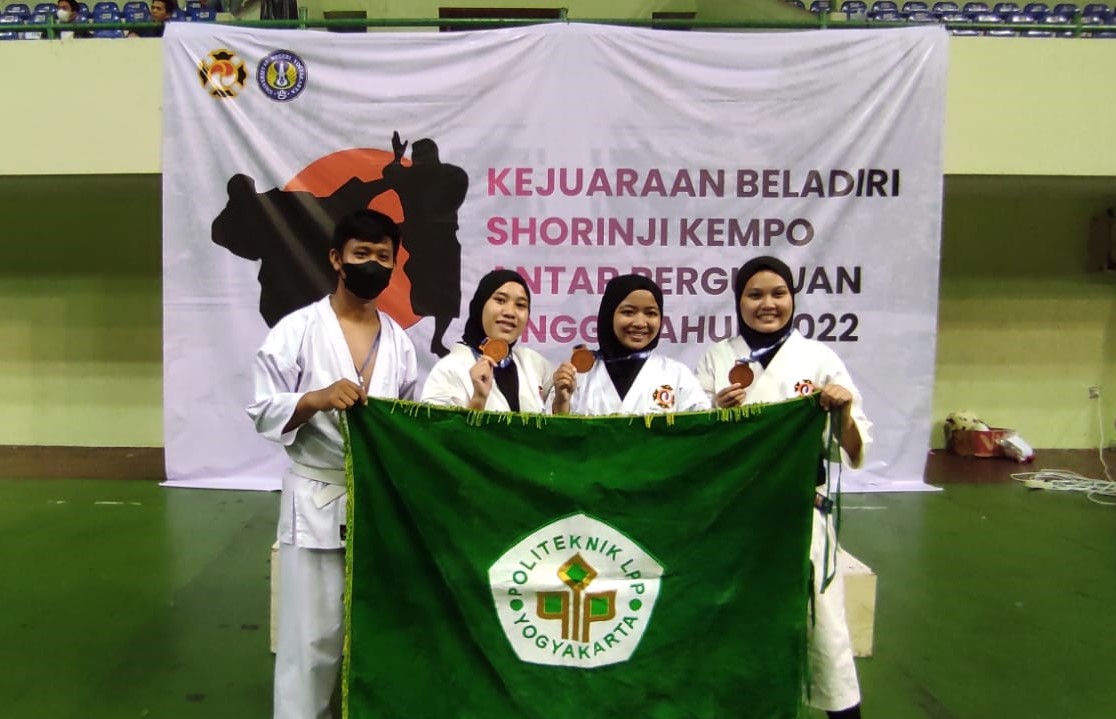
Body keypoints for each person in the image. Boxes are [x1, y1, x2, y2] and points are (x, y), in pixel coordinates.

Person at [246, 209, 418, 719]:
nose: (372, 264)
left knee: (374, 628)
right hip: (316, 498)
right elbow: (262, 408)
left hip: (376, 502)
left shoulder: (400, 341)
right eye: (361, 253)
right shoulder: (297, 330)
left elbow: (408, 421)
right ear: (336, 259)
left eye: (383, 256)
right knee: (310, 639)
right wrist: (315, 398)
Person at [694, 256, 872, 719]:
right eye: (754, 295)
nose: (767, 304)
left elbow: (854, 449)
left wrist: (842, 410)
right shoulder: (717, 358)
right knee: (736, 628)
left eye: (778, 293)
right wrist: (717, 412)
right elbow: (695, 444)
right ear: (738, 301)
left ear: (793, 298)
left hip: (798, 512)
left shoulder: (819, 359)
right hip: (734, 516)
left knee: (824, 628)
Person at [552, 274, 709, 416]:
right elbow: (552, 433)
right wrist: (561, 402)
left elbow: (703, 431)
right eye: (628, 312)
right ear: (609, 315)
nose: (640, 323)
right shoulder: (577, 375)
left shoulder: (677, 375)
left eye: (651, 313)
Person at [420, 269, 552, 412]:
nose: (510, 312)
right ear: (480, 305)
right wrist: (478, 400)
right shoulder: (449, 370)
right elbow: (431, 426)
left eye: (520, 305)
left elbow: (556, 420)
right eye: (500, 300)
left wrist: (561, 403)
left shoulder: (533, 363)